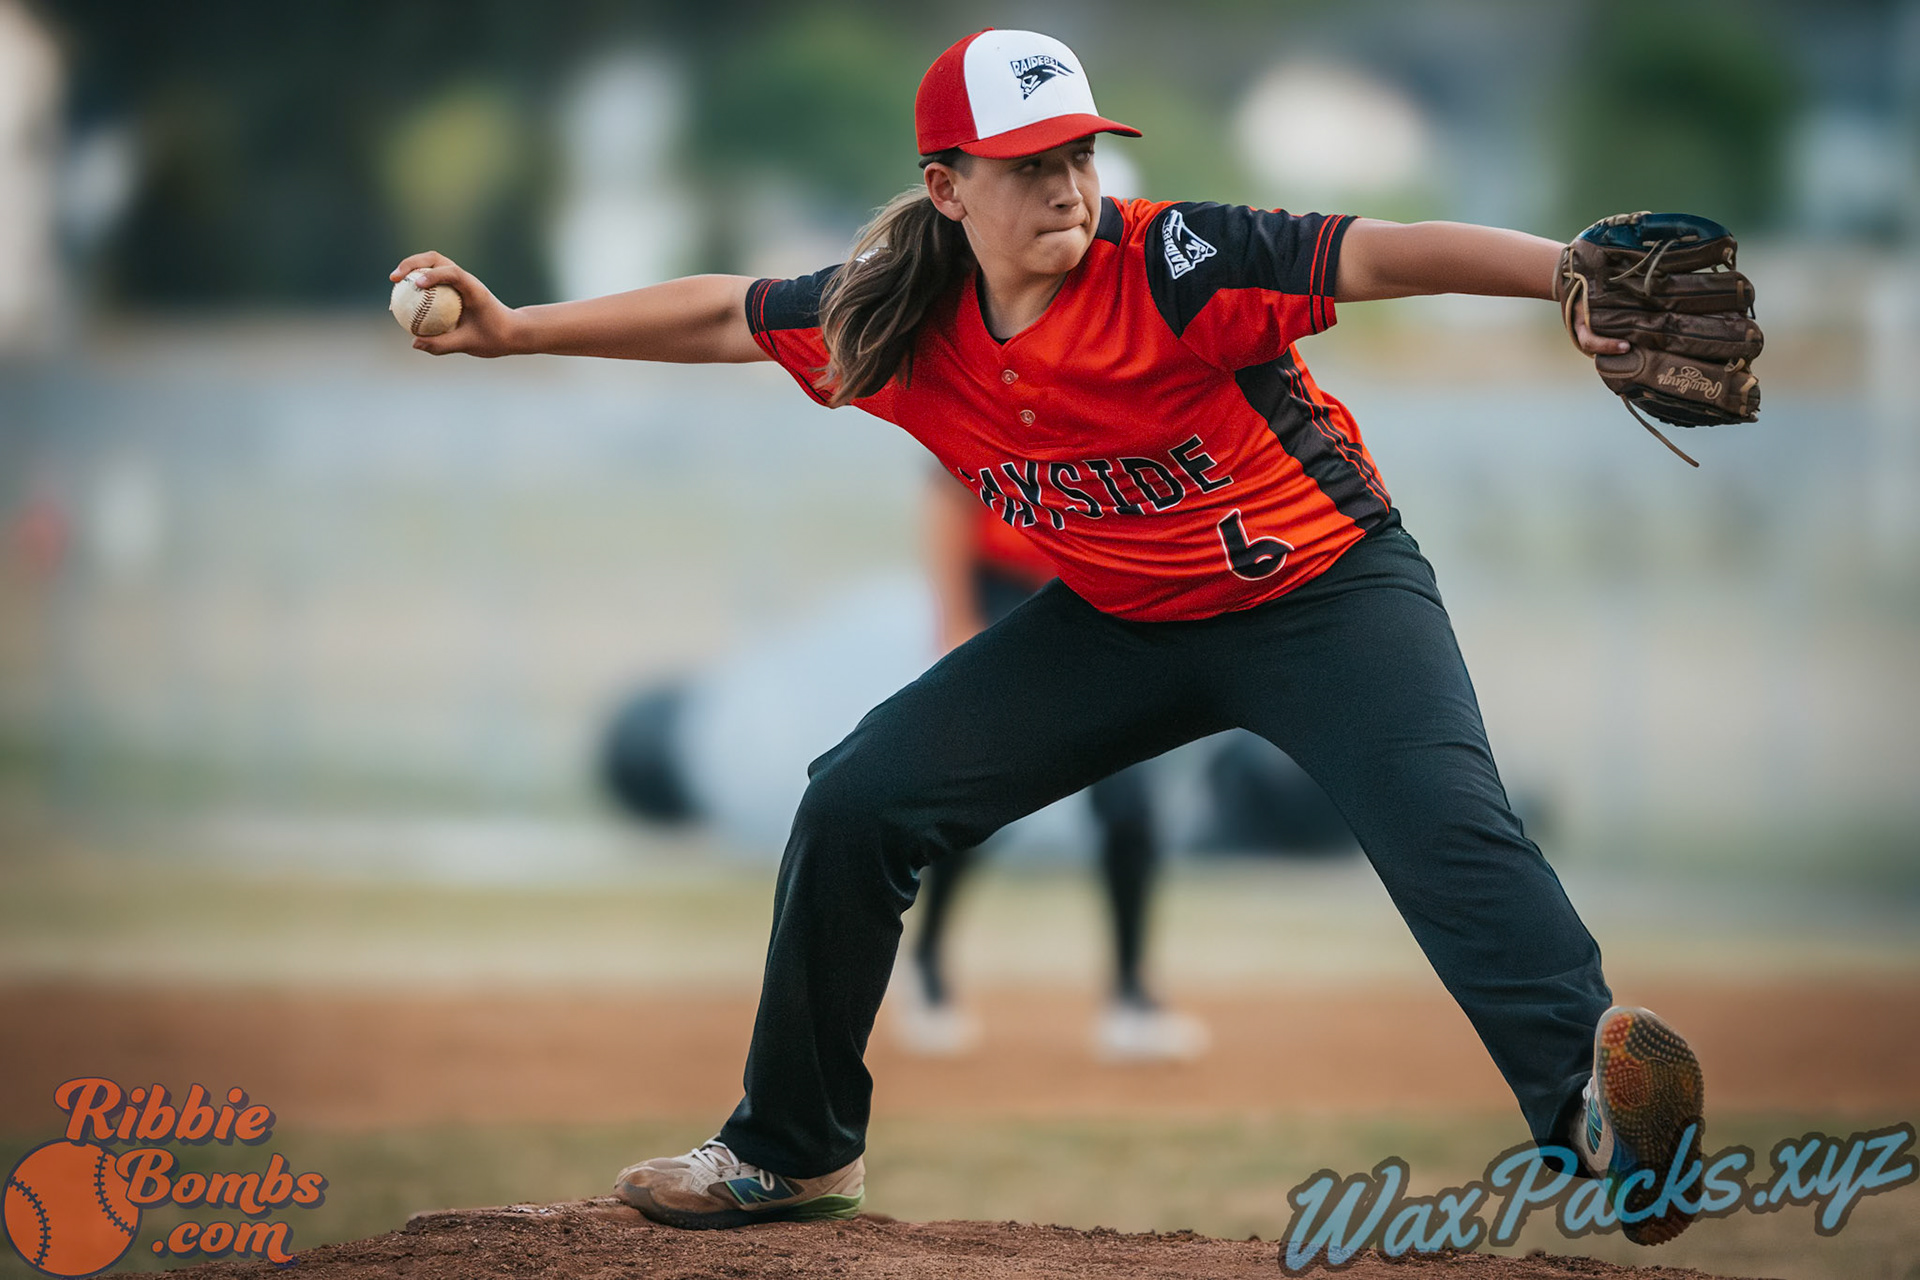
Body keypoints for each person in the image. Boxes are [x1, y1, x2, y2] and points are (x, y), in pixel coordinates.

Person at [389, 28, 1707, 1246]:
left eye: (1077, 150)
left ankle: (1599, 1115)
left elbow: (1384, 248)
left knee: (1450, 830)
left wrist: (1560, 279)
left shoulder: (1177, 261)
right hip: (1123, 623)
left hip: (1326, 596)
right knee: (859, 800)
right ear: (949, 185)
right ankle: (793, 1151)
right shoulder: (896, 313)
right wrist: (517, 333)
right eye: (1029, 162)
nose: (1068, 181)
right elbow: (729, 315)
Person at [905, 470, 1206, 1061]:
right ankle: (928, 962)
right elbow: (946, 489)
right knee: (980, 798)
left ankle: (1131, 995)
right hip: (1005, 592)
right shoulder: (1008, 384)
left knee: (1128, 799)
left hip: (1097, 593)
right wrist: (957, 620)